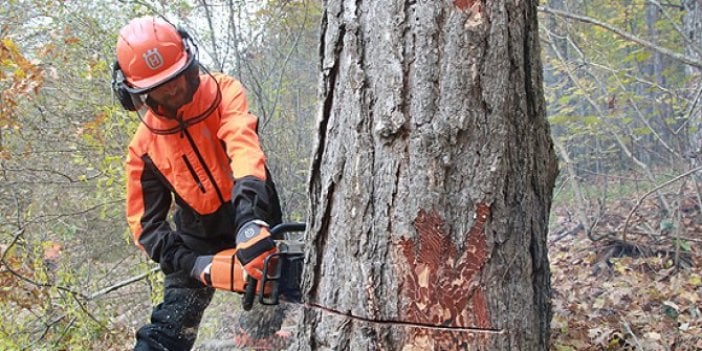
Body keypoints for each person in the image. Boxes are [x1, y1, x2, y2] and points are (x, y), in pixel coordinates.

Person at [112, 16, 290, 351]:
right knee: (172, 323)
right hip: (197, 232)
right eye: (159, 86)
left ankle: (258, 335)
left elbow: (244, 148)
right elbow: (145, 227)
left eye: (177, 77)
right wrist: (193, 265)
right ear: (136, 93)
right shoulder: (143, 147)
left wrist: (251, 221)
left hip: (249, 202)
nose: (173, 89)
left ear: (189, 62)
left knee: (274, 287)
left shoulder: (224, 91)